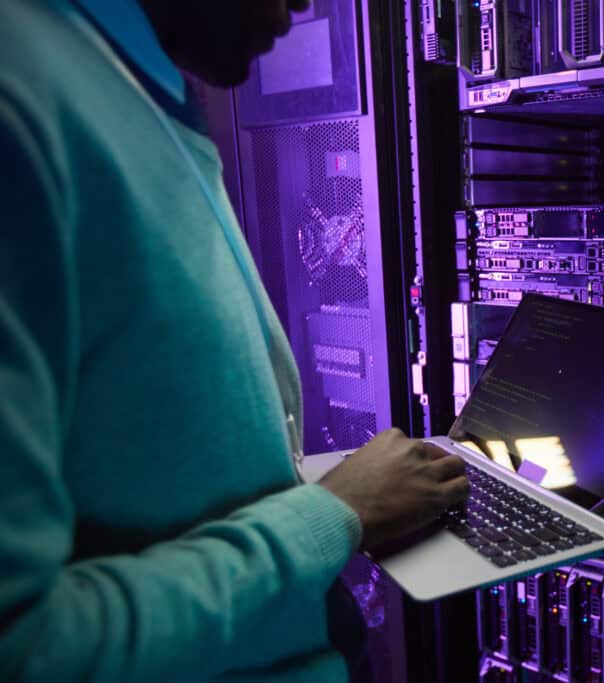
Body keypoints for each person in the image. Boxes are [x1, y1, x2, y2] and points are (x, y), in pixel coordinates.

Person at [0, 1, 469, 681]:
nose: (307, 3)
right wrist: (336, 512)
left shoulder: (134, 90)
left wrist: (342, 493)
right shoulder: (23, 98)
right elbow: (24, 649)